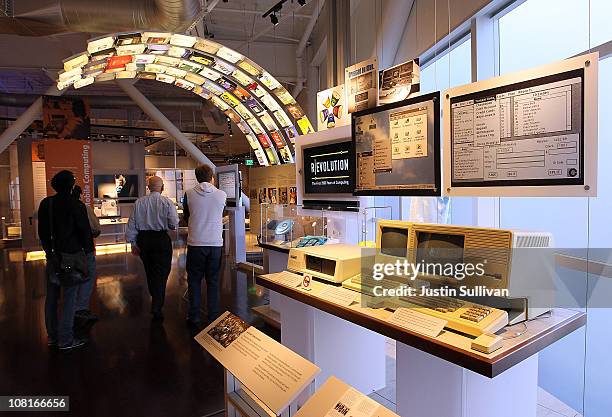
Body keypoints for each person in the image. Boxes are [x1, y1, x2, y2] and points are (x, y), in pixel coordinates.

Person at [38, 170, 94, 350]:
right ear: (71, 185)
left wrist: (49, 253)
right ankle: (66, 339)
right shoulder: (76, 205)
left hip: (54, 257)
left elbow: (43, 233)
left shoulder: (47, 203)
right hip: (72, 256)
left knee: (52, 297)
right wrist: (89, 252)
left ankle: (52, 337)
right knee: (70, 298)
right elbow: (84, 231)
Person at [126, 176, 179, 320]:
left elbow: (132, 223)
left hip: (144, 240)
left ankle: (155, 298)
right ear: (162, 188)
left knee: (149, 270)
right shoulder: (167, 202)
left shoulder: (139, 202)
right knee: (162, 271)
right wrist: (170, 226)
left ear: (148, 187)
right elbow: (173, 222)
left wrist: (132, 243)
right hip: (161, 239)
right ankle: (157, 303)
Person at [184, 164, 227, 326]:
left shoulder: (188, 194)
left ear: (197, 177)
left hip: (195, 243)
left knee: (194, 280)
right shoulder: (221, 194)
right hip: (215, 244)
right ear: (212, 178)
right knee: (213, 281)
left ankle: (194, 315)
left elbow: (186, 216)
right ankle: (213, 316)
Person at [71, 185, 101, 322]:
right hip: (83, 250)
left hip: (63, 253)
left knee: (69, 284)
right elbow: (95, 229)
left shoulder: (53, 206)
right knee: (87, 278)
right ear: (80, 195)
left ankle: (69, 312)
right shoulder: (84, 208)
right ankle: (81, 310)